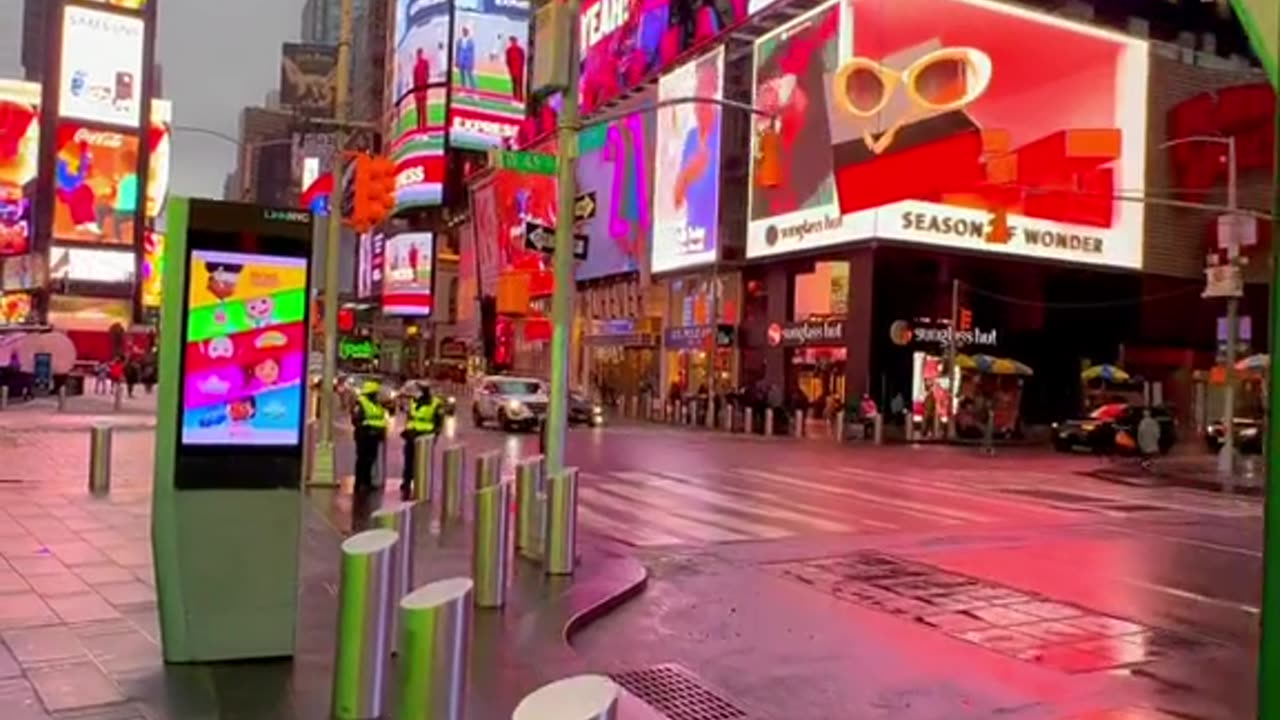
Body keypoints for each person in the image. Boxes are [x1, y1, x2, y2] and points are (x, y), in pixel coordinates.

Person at [400, 383, 445, 499]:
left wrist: (434, 437)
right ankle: (406, 487)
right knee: (408, 464)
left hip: (425, 439)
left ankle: (422, 489)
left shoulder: (435, 404)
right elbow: (410, 418)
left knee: (422, 465)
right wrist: (407, 431)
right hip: (411, 437)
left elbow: (439, 423)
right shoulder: (414, 402)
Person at [351, 380, 388, 492]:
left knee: (371, 459)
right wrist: (367, 429)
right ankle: (359, 483)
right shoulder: (361, 403)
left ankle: (367, 482)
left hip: (375, 435)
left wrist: (381, 430)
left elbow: (380, 418)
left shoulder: (376, 404)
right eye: (375, 393)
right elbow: (356, 420)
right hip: (364, 435)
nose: (377, 395)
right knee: (362, 459)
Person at [412, 48, 430, 131]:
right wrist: (415, 93)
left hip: (423, 89)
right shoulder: (415, 67)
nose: (419, 56)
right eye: (418, 54)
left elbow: (427, 75)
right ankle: (419, 129)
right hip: (418, 91)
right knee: (418, 111)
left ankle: (424, 129)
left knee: (423, 110)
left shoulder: (425, 63)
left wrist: (425, 87)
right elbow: (414, 80)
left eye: (420, 54)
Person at [504, 36, 526, 101]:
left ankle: (516, 97)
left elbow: (507, 61)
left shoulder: (510, 50)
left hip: (516, 69)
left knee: (515, 83)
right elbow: (523, 59)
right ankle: (519, 97)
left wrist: (510, 68)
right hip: (518, 69)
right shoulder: (518, 49)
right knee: (518, 83)